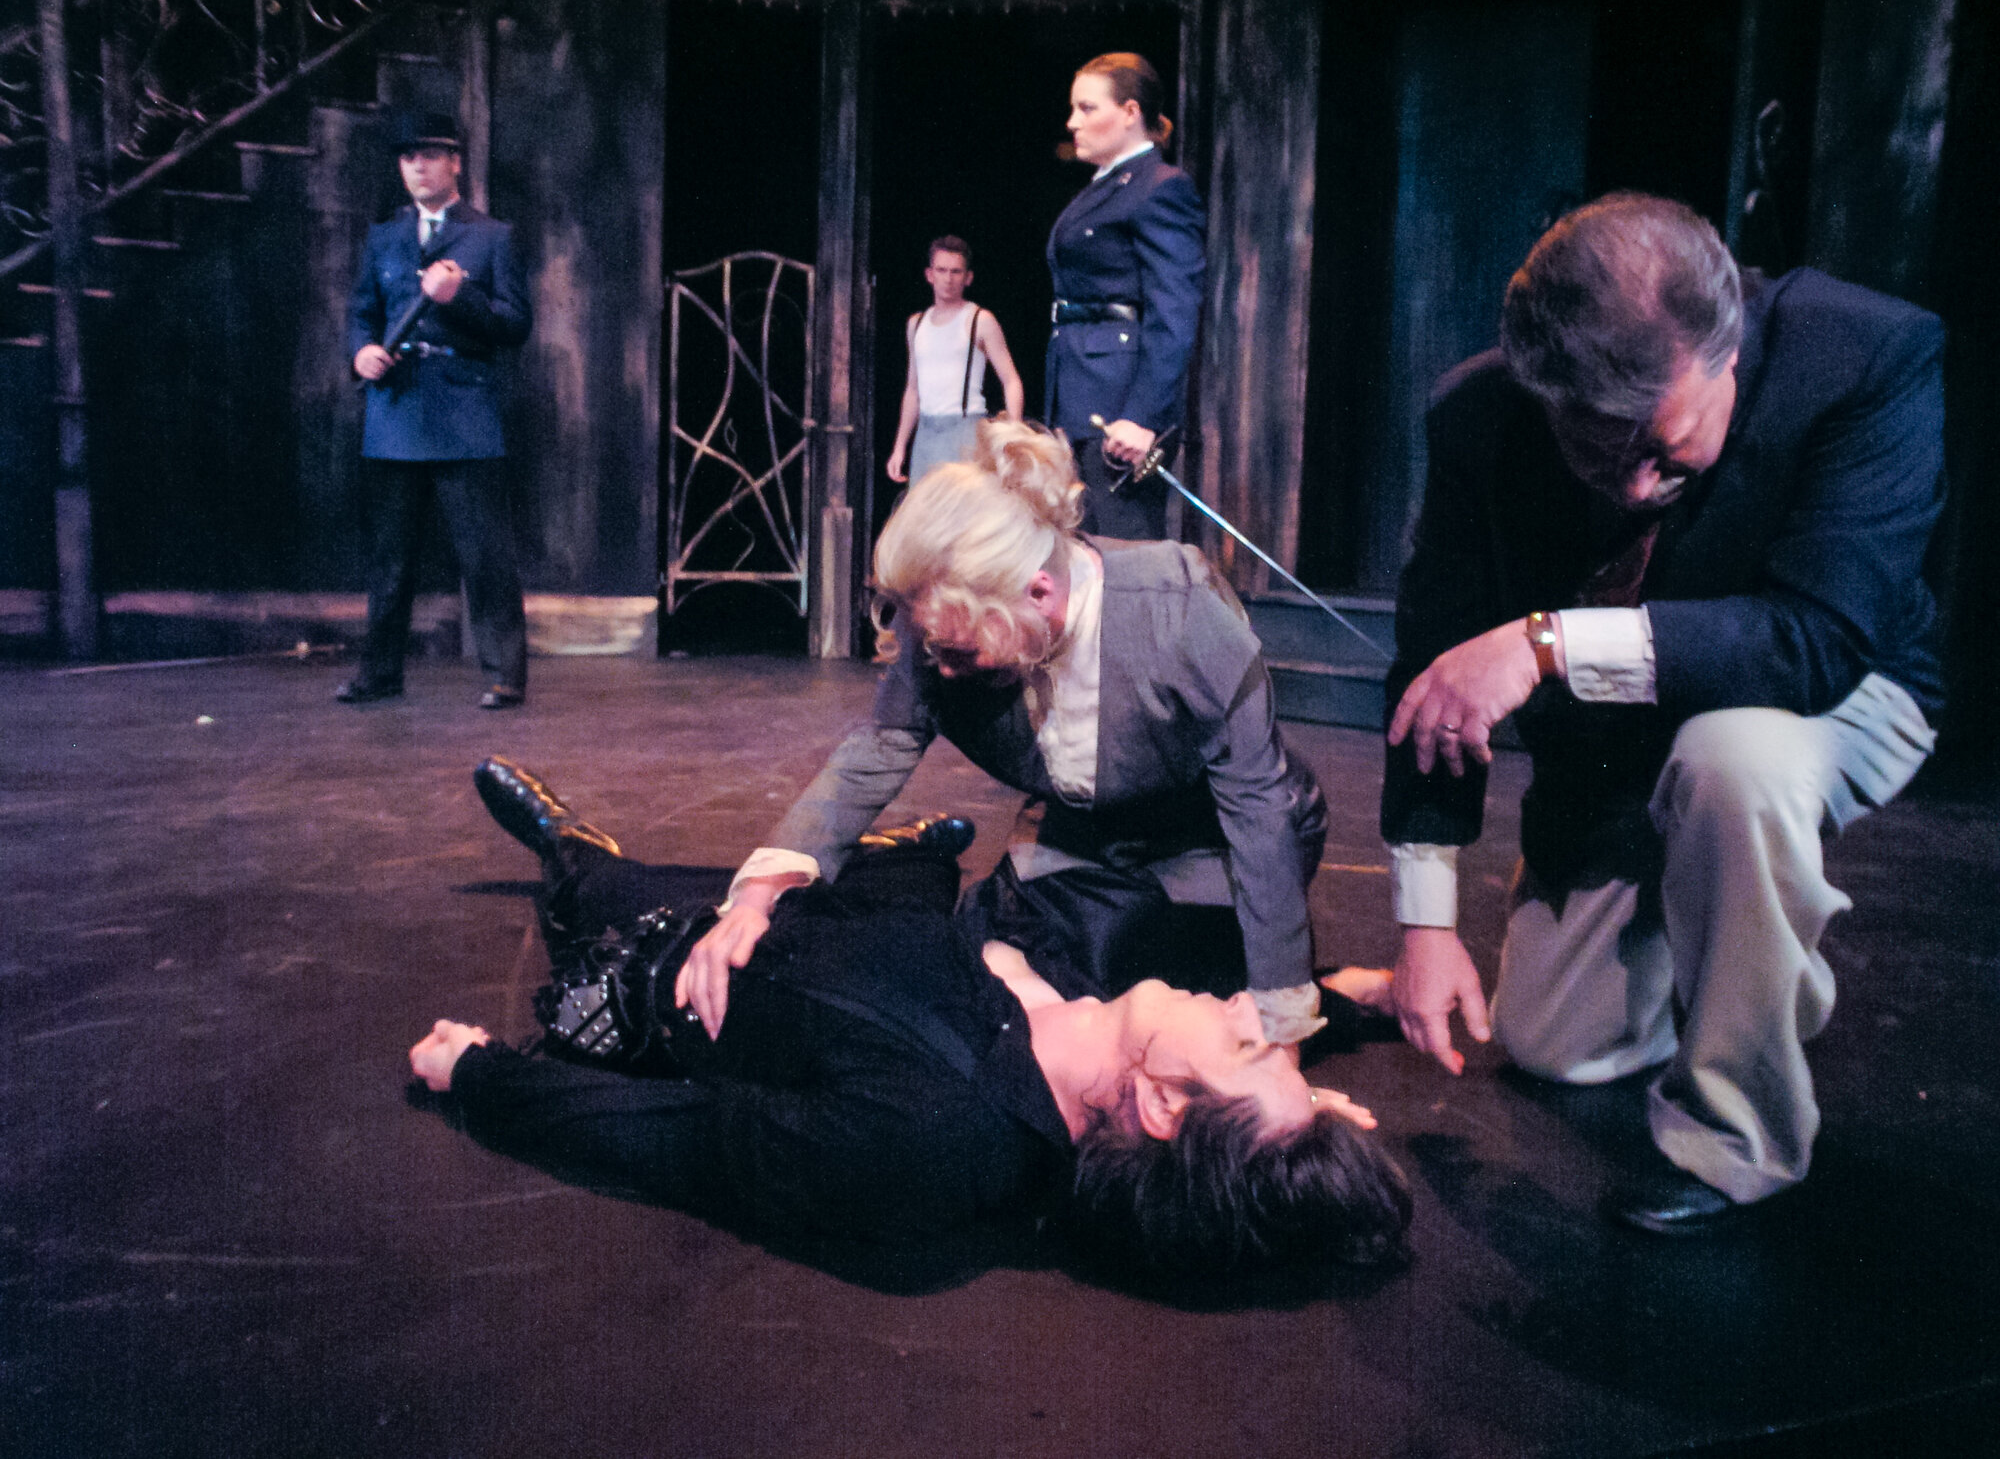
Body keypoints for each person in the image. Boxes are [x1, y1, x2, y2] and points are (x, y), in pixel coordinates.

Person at [1377, 192, 1944, 1234]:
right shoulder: (1478, 415)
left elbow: (1816, 639)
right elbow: (1434, 668)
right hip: (1621, 745)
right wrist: (1425, 922)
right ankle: (1745, 963)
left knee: (1732, 763)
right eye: (1599, 453)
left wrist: (1545, 642)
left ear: (1729, 352)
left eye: (1666, 451)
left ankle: (1736, 1139)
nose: (1636, 488)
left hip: (1839, 691)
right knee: (1552, 1045)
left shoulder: (1865, 355)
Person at [406, 758, 1411, 1276]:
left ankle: (567, 841)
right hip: (847, 910)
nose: (1243, 1006)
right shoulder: (1102, 1002)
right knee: (899, 873)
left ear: (1159, 1106)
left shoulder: (933, 1136)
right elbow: (1247, 1031)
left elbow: (685, 1143)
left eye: (1247, 1045)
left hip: (674, 970)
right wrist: (1347, 1011)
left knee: (588, 884)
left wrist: (485, 1079)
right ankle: (905, 854)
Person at [685, 419, 1332, 1049]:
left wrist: (1282, 1013)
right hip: (1088, 833)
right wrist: (760, 892)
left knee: (1144, 1002)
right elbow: (882, 742)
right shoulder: (945, 613)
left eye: (960, 654)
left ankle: (1338, 993)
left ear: (1039, 594)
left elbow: (1258, 804)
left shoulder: (1182, 611)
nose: (940, 671)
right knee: (979, 980)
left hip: (1208, 836)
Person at [338, 109, 533, 710]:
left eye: (430, 155)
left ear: (455, 163)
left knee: (485, 555)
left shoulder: (491, 237)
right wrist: (362, 351)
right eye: (408, 157)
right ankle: (379, 674)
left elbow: (515, 325)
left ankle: (504, 675)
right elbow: (362, 312)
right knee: (390, 558)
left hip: (462, 410)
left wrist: (460, 295)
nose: (418, 167)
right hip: (395, 410)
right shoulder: (384, 236)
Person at [1045, 52, 1205, 541]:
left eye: (1087, 108)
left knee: (1122, 550)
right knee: (1081, 548)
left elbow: (1174, 310)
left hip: (1119, 403)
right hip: (1081, 390)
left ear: (1131, 112)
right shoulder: (1104, 187)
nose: (1073, 122)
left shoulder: (1160, 187)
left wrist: (1142, 416)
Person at [886, 236, 1026, 488]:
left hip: (965, 427)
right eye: (941, 270)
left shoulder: (979, 320)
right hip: (926, 432)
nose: (948, 279)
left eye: (955, 271)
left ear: (968, 277)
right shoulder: (916, 324)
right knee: (923, 507)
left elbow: (1011, 379)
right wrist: (899, 447)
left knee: (963, 506)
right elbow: (913, 390)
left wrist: (1013, 433)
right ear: (929, 275)